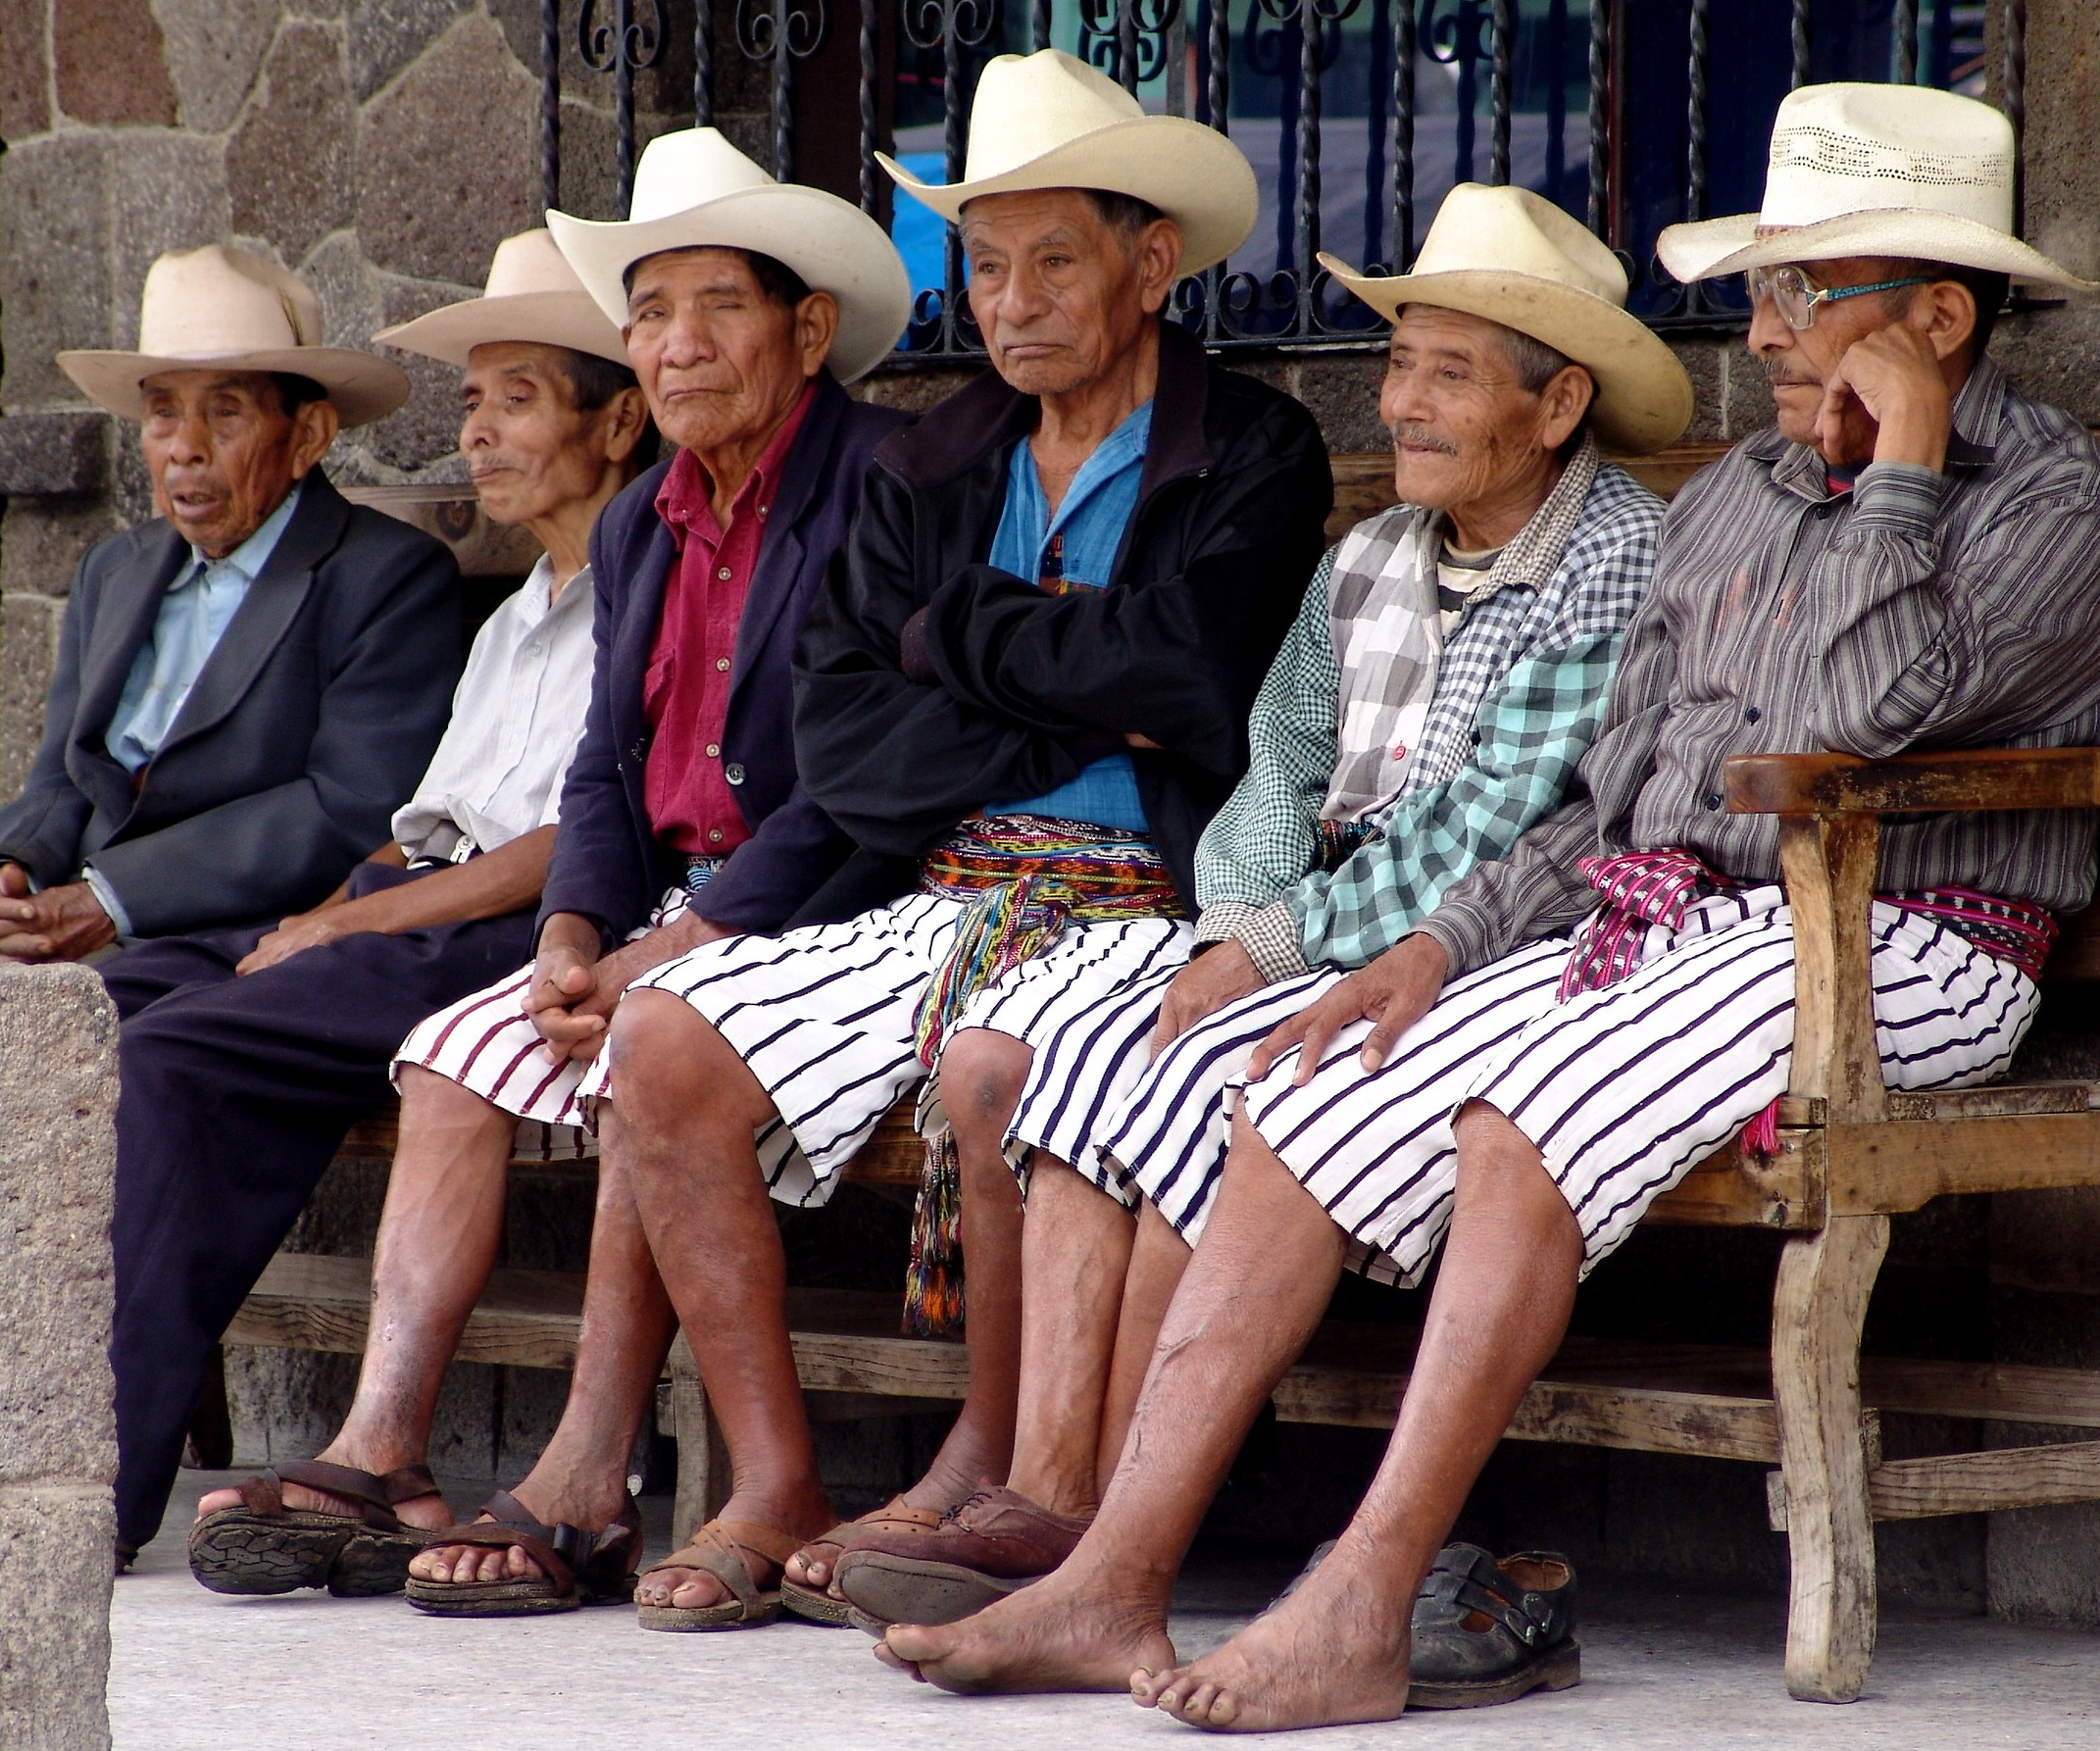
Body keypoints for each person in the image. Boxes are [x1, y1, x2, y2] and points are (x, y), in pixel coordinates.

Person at [878, 82, 2100, 1730]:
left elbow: (1864, 713)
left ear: (1941, 315)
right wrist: (1434, 944)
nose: (1762, 331)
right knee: (1296, 1085)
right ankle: (1115, 1574)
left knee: (1508, 1114)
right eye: (1759, 289)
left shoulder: (2051, 495)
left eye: (1803, 293)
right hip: (1677, 920)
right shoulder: (1743, 498)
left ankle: (1363, 1597)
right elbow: (1619, 795)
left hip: (1905, 934)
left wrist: (1901, 459)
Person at [401, 49, 1331, 1628]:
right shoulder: (932, 459)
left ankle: (988, 1460)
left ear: (1151, 261)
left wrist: (964, 638)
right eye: (985, 261)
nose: (1013, 298)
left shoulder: (1252, 446)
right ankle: (772, 1480)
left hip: (1148, 902)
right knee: (665, 1035)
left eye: (1056, 258)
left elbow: (1199, 685)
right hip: (940, 887)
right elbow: (851, 743)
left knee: (1002, 1063)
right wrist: (1080, 677)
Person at [828, 184, 1689, 1628]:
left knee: (1204, 1082)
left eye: (1449, 374)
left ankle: (1107, 1519)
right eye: (1400, 364)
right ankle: (1049, 1486)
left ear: (1558, 406)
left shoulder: (1611, 556)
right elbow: (1276, 762)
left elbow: (1495, 827)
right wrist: (1239, 919)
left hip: (1477, 946)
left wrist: (1274, 948)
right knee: (1074, 1051)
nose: (1402, 403)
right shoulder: (1370, 556)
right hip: (1312, 921)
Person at [178, 126, 914, 1603]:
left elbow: (862, 791)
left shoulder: (879, 481)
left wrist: (662, 947)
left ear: (808, 327)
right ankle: (384, 1447)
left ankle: (590, 1472)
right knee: (457, 1053)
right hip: (659, 914)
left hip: (829, 895)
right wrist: (576, 925)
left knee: (648, 1039)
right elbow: (599, 775)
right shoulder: (649, 515)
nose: (677, 344)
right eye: (649, 312)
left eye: (718, 306)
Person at [98, 229, 651, 1571]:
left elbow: (558, 851)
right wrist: (328, 915)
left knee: (180, 1051)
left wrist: (338, 926)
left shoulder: (647, 585)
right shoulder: (526, 603)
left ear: (619, 418)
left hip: (514, 930)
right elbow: (424, 824)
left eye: (517, 397)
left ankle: (95, 1470)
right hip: (409, 902)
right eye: (471, 400)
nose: (478, 433)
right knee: (98, 1005)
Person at [0, 244, 460, 961]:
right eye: (163, 414)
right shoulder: (114, 570)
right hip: (70, 918)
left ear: (307, 436)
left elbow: (349, 807)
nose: (186, 449)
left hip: (232, 940)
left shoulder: (388, 577)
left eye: (224, 413)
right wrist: (14, 865)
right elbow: (62, 772)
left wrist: (112, 897)